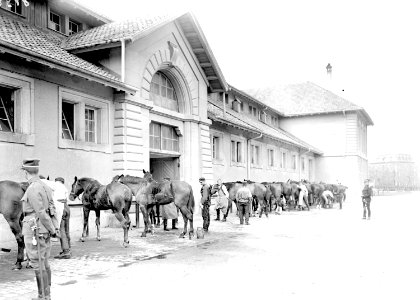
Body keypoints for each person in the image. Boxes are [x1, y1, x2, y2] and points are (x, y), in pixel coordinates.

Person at [21, 159, 58, 300]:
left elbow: (41, 212)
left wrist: (52, 229)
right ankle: (46, 295)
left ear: (26, 172)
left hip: (35, 228)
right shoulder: (45, 185)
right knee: (44, 261)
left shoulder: (33, 188)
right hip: (43, 228)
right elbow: (52, 209)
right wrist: (53, 227)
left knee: (37, 263)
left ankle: (43, 296)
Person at [53, 177, 72, 259]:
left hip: (60, 207)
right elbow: (67, 199)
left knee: (61, 230)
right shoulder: (64, 187)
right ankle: (68, 248)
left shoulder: (54, 186)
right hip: (66, 207)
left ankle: (66, 251)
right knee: (67, 230)